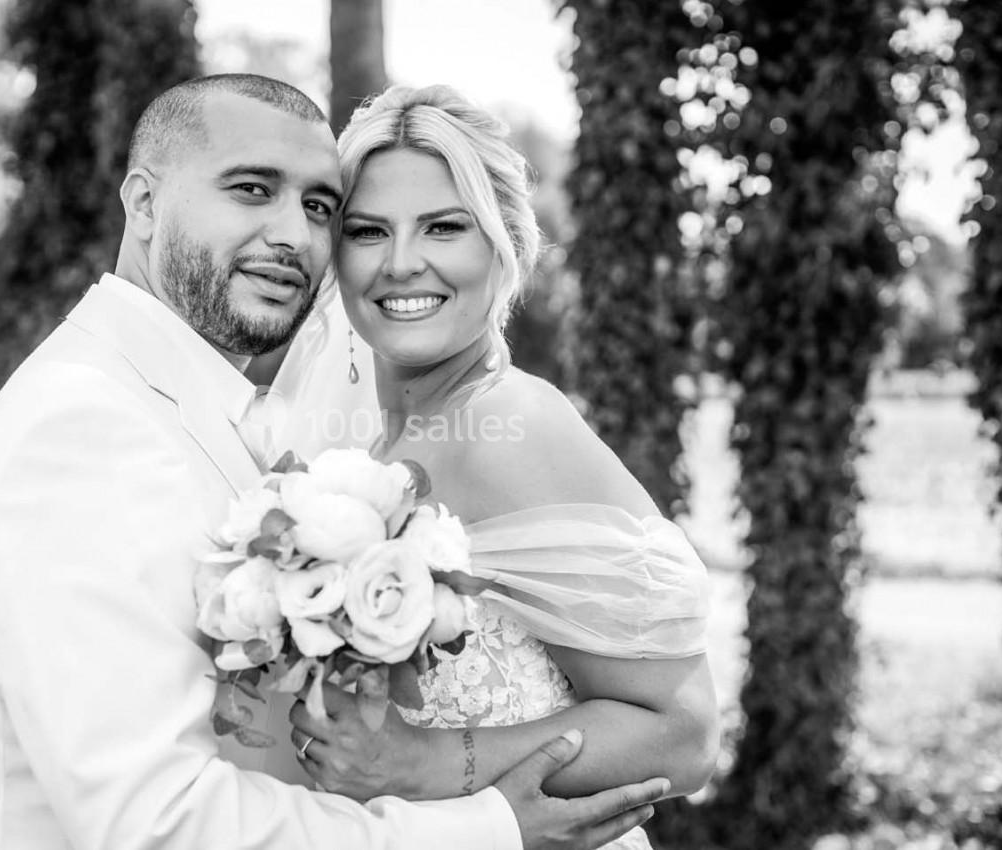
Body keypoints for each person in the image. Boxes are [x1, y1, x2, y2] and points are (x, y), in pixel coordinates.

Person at [0, 73, 672, 850]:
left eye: (320, 207)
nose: (295, 236)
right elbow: (153, 823)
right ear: (143, 203)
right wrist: (484, 829)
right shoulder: (81, 428)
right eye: (253, 189)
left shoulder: (211, 415)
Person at [282, 85, 719, 850]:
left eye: (444, 227)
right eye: (368, 231)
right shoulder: (352, 445)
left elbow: (684, 734)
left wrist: (425, 765)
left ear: (506, 242)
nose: (401, 263)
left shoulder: (512, 430)